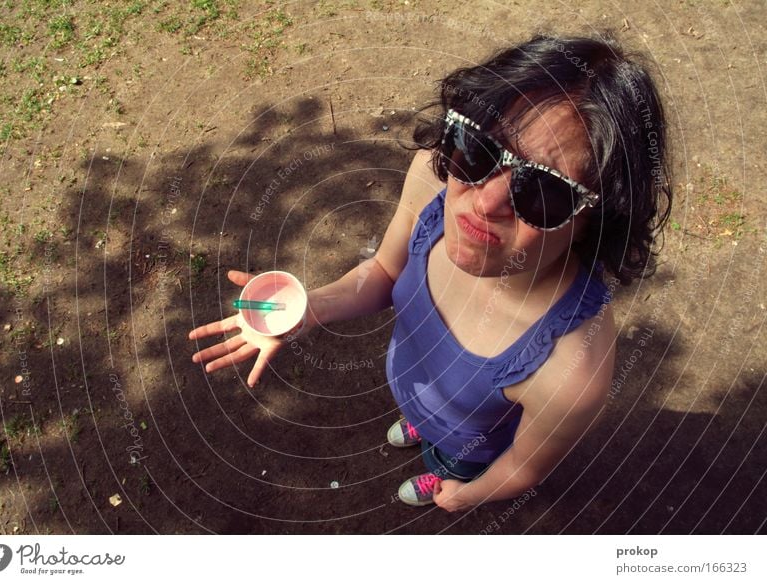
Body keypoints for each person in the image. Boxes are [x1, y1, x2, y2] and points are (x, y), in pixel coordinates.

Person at [188, 33, 672, 511]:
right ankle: (422, 423)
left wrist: (463, 494)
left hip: (471, 448)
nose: (484, 201)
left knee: (450, 459)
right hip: (418, 394)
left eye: (543, 191)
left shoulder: (572, 369)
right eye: (478, 149)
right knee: (426, 420)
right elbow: (383, 271)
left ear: (600, 220)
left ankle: (440, 465)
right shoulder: (432, 176)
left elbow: (524, 466)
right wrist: (308, 309)